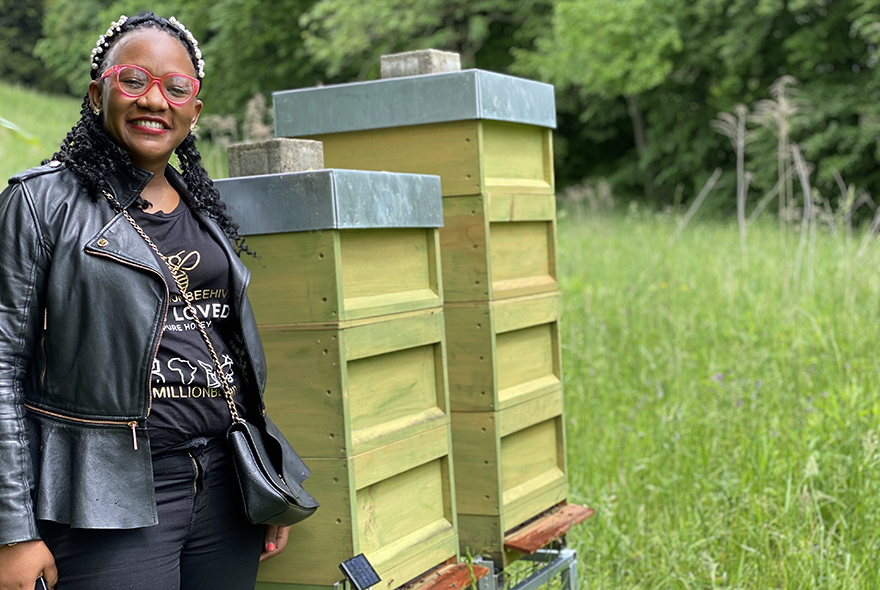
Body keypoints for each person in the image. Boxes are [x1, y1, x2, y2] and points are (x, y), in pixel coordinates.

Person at [0, 12, 291, 590]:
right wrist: (13, 531)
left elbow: (221, 351)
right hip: (106, 497)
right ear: (97, 92)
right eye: (133, 80)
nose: (154, 100)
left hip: (222, 487)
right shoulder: (39, 204)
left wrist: (262, 469)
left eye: (176, 88)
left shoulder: (201, 214)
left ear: (195, 110)